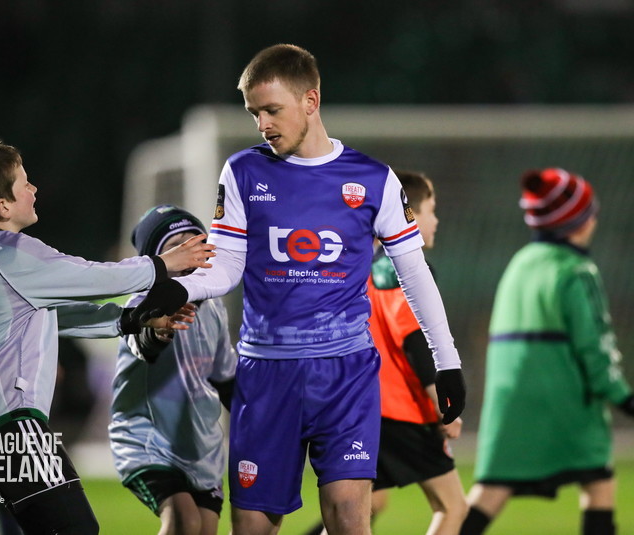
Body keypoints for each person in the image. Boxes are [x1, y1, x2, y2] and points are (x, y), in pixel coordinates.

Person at [136, 44, 466, 535]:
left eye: (273, 110)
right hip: (267, 374)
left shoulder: (373, 180)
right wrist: (178, 289)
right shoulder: (244, 172)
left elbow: (414, 274)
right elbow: (226, 267)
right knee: (252, 526)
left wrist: (448, 362)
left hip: (346, 374)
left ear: (311, 100)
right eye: (254, 114)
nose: (263, 124)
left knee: (351, 519)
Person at [0, 139, 215, 535]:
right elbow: (92, 277)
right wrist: (163, 264)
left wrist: (135, 319)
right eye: (23, 183)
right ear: (3, 207)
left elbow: (60, 317)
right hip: (11, 427)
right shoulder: (9, 254)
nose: (33, 189)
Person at [461, 168, 634, 535]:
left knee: (492, 489)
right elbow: (595, 346)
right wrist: (622, 397)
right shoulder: (577, 271)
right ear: (580, 221)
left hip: (510, 399)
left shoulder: (519, 263)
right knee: (598, 480)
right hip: (562, 397)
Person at [303, 171, 467, 535]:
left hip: (354, 408)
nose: (435, 220)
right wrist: (442, 404)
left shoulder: (357, 267)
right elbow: (414, 341)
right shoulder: (400, 269)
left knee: (362, 507)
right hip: (397, 413)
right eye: (431, 210)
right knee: (453, 506)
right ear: (410, 213)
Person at [108, 204, 237, 535]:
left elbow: (226, 379)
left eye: (194, 239)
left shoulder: (214, 306)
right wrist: (156, 332)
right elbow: (142, 341)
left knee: (204, 528)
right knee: (184, 520)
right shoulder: (142, 303)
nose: (190, 249)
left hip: (200, 449)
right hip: (146, 441)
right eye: (176, 244)